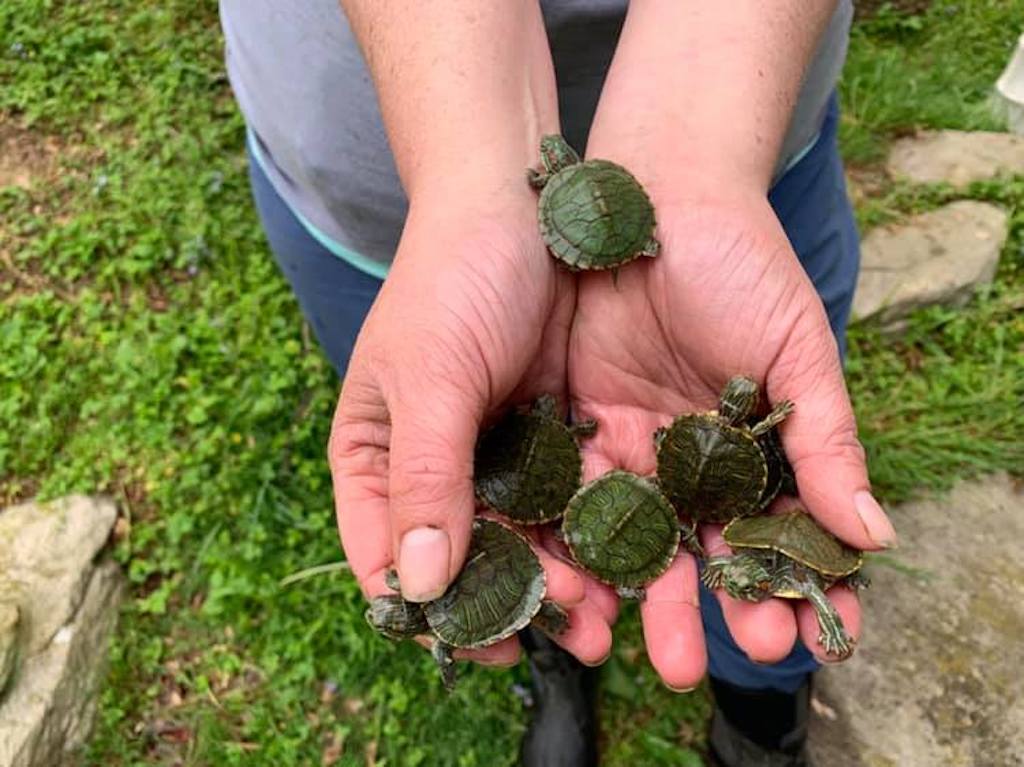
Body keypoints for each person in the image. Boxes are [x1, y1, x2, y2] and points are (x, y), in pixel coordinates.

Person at [219, 2, 898, 765]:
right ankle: (558, 659)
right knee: (461, 461)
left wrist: (699, 156)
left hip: (753, 118)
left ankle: (763, 718)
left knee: (766, 568)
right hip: (376, 195)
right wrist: (469, 182)